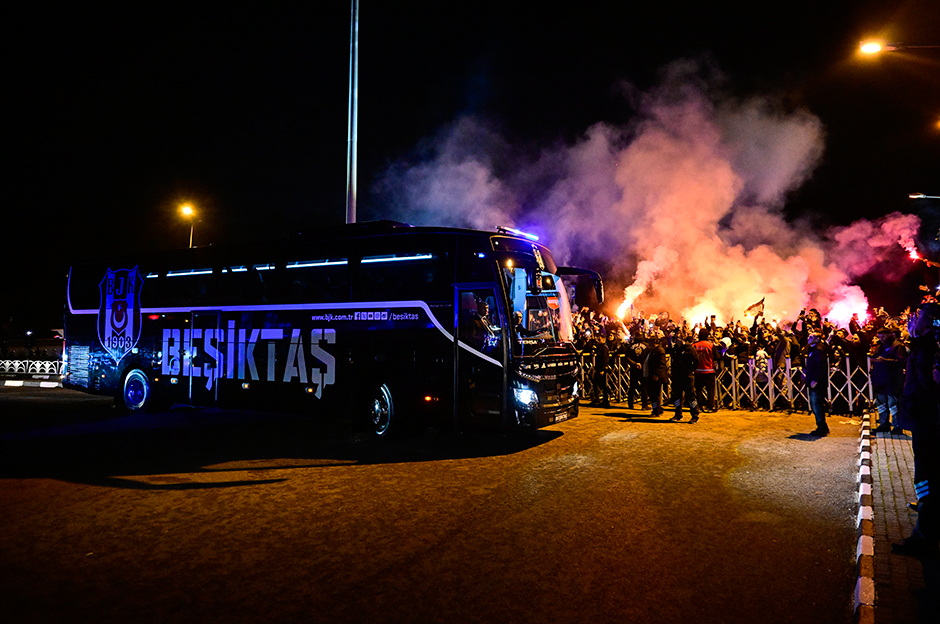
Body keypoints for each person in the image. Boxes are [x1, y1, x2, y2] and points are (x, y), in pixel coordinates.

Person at [892, 302, 940, 557]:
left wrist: (914, 410)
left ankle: (925, 535)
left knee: (925, 477)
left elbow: (924, 386)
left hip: (927, 423)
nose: (913, 319)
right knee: (926, 477)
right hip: (924, 420)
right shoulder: (925, 344)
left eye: (918, 317)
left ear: (930, 320)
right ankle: (925, 508)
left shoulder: (930, 348)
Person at [870, 324, 908, 434]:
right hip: (880, 380)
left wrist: (885, 360)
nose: (881, 339)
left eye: (883, 336)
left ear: (889, 335)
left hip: (893, 381)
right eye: (879, 337)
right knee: (881, 405)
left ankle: (897, 426)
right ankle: (884, 424)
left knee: (894, 405)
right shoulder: (880, 346)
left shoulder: (897, 346)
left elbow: (901, 361)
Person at [667, 332, 700, 423]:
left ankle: (695, 414)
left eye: (678, 338)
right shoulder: (675, 349)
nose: (676, 340)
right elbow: (674, 362)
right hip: (677, 376)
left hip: (687, 376)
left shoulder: (690, 349)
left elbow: (696, 361)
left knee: (690, 396)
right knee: (677, 396)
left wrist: (691, 370)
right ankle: (678, 414)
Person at [802, 331, 829, 436]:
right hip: (814, 380)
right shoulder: (813, 349)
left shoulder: (818, 350)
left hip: (817, 382)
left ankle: (821, 428)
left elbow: (821, 366)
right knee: (816, 404)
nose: (808, 338)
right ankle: (822, 426)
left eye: (811, 337)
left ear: (818, 339)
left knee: (816, 404)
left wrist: (815, 379)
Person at [691, 328, 716, 412]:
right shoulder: (711, 345)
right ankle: (710, 407)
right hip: (709, 370)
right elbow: (716, 356)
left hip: (698, 370)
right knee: (710, 390)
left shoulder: (694, 345)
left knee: (698, 390)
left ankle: (699, 406)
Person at [645, 330, 669, 416]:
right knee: (653, 394)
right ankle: (657, 408)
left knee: (655, 394)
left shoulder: (659, 351)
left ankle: (656, 410)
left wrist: (656, 374)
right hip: (652, 374)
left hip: (656, 376)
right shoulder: (653, 350)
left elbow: (661, 364)